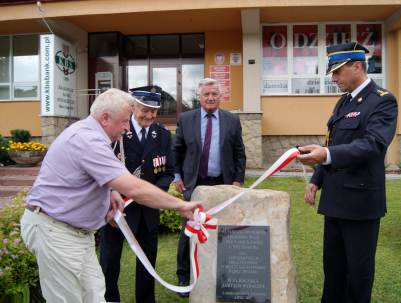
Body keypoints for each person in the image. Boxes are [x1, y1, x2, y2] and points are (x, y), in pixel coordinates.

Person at [20, 88, 202, 303]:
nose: (127, 128)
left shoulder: (93, 134)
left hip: (76, 234)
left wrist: (111, 192)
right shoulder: (88, 140)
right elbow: (134, 188)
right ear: (105, 118)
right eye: (125, 121)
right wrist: (180, 206)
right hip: (56, 232)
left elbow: (94, 177)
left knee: (96, 295)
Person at [297, 42, 398, 303]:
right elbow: (333, 144)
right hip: (335, 201)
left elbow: (372, 145)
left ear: (357, 66)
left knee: (358, 273)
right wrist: (316, 180)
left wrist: (325, 155)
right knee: (333, 269)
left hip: (360, 203)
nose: (333, 78)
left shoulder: (383, 102)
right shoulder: (344, 102)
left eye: (338, 71)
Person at [173, 78, 246, 296]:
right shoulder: (186, 119)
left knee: (223, 230)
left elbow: (239, 153)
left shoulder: (232, 120)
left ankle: (220, 274)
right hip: (194, 184)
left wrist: (237, 181)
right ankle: (184, 278)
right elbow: (177, 150)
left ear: (221, 96)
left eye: (215, 94)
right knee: (189, 231)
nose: (211, 98)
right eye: (206, 94)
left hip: (223, 184)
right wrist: (177, 176)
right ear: (200, 97)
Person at [99, 86, 173, 303]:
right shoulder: (117, 132)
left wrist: (154, 194)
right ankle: (109, 299)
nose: (150, 115)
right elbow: (103, 171)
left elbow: (168, 172)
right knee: (110, 260)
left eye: (154, 111)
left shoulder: (163, 135)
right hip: (118, 210)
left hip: (148, 211)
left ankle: (146, 299)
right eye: (145, 110)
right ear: (133, 107)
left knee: (148, 260)